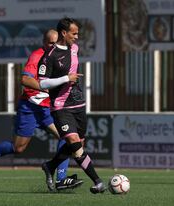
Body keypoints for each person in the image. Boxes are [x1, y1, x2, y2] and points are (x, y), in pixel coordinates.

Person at [0, 29, 83, 191]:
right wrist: (45, 88)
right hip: (30, 108)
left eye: (56, 42)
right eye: (51, 43)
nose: (54, 45)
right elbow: (24, 79)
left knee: (67, 137)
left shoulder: (61, 55)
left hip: (48, 110)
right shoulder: (37, 56)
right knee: (19, 148)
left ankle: (61, 179)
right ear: (44, 42)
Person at [37, 17, 107, 194]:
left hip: (79, 105)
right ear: (64, 33)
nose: (77, 37)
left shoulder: (74, 49)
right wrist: (66, 79)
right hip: (61, 107)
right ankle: (98, 182)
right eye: (74, 33)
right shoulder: (49, 57)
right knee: (75, 143)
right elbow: (42, 83)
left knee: (79, 143)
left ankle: (50, 166)